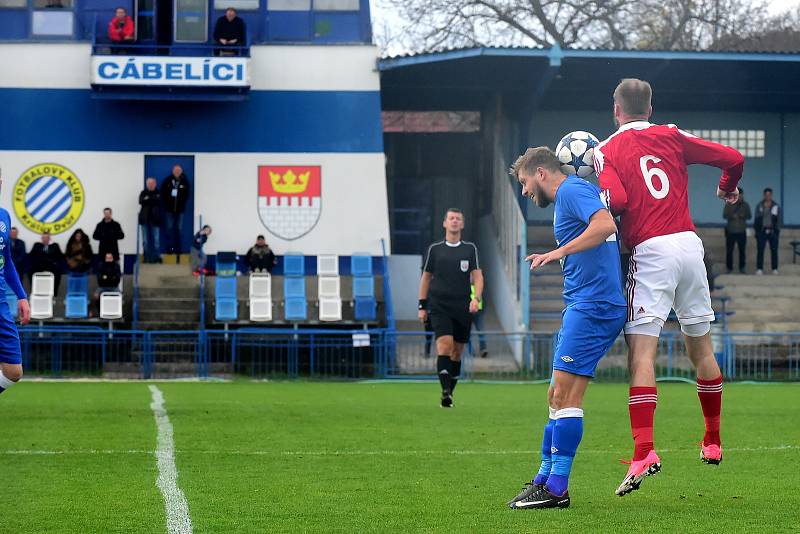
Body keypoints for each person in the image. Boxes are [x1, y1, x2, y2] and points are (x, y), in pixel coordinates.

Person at [595, 78, 744, 496]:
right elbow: (733, 158)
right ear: (651, 106)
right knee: (702, 349)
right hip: (690, 247)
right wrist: (725, 189)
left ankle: (645, 451)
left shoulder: (606, 150)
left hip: (651, 251)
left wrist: (602, 187)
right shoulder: (673, 135)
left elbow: (619, 202)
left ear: (616, 108)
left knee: (642, 353)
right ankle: (712, 441)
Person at [505, 147, 626, 510]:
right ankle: (545, 477)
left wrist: (556, 253)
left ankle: (557, 488)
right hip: (582, 305)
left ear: (541, 173)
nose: (525, 191)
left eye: (525, 183)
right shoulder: (568, 198)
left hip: (595, 305)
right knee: (555, 396)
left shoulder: (572, 190)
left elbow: (606, 225)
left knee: (567, 398)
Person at [417, 208, 483, 408]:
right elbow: (426, 278)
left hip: (462, 305)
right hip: (439, 305)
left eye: (458, 219)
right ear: (444, 223)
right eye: (451, 218)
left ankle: (449, 393)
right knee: (444, 345)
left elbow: (478, 276)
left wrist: (476, 298)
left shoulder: (470, 249)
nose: (454, 221)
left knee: (457, 351)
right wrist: (422, 305)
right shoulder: (435, 249)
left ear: (462, 224)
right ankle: (445, 391)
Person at [0, 169, 30, 396]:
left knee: (13, 371)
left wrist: (21, 295)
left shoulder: (4, 216)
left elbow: (6, 259)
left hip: (1, 303)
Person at [161, 165, 191, 263]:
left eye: (179, 170)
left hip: (180, 210)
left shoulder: (184, 181)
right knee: (169, 230)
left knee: (179, 230)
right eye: (175, 170)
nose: (177, 172)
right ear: (173, 171)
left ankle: (178, 250)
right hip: (169, 210)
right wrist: (168, 203)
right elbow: (163, 193)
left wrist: (181, 203)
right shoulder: (167, 180)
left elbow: (187, 194)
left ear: (181, 171)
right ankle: (170, 250)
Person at [722, 187, 750, 274]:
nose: (740, 197)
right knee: (729, 250)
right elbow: (724, 215)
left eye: (741, 195)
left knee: (742, 250)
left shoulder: (745, 205)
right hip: (731, 231)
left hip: (741, 231)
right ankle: (729, 268)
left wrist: (743, 215)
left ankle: (742, 267)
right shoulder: (729, 204)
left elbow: (749, 216)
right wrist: (731, 216)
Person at [754, 187, 781, 275]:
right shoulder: (760, 205)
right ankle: (759, 268)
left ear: (771, 195)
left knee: (774, 250)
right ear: (764, 195)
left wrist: (777, 230)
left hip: (773, 231)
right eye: (766, 195)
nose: (768, 197)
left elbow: (779, 219)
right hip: (762, 231)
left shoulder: (775, 206)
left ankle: (774, 268)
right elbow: (757, 219)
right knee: (760, 250)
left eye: (769, 195)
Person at [139, 177, 162, 264]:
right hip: (144, 219)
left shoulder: (158, 192)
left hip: (155, 219)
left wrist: (148, 199)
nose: (150, 185)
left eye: (152, 183)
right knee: (145, 240)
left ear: (155, 184)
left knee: (156, 240)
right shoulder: (143, 192)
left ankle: (157, 258)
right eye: (148, 183)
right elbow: (141, 201)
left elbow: (159, 201)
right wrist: (152, 199)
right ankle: (146, 258)